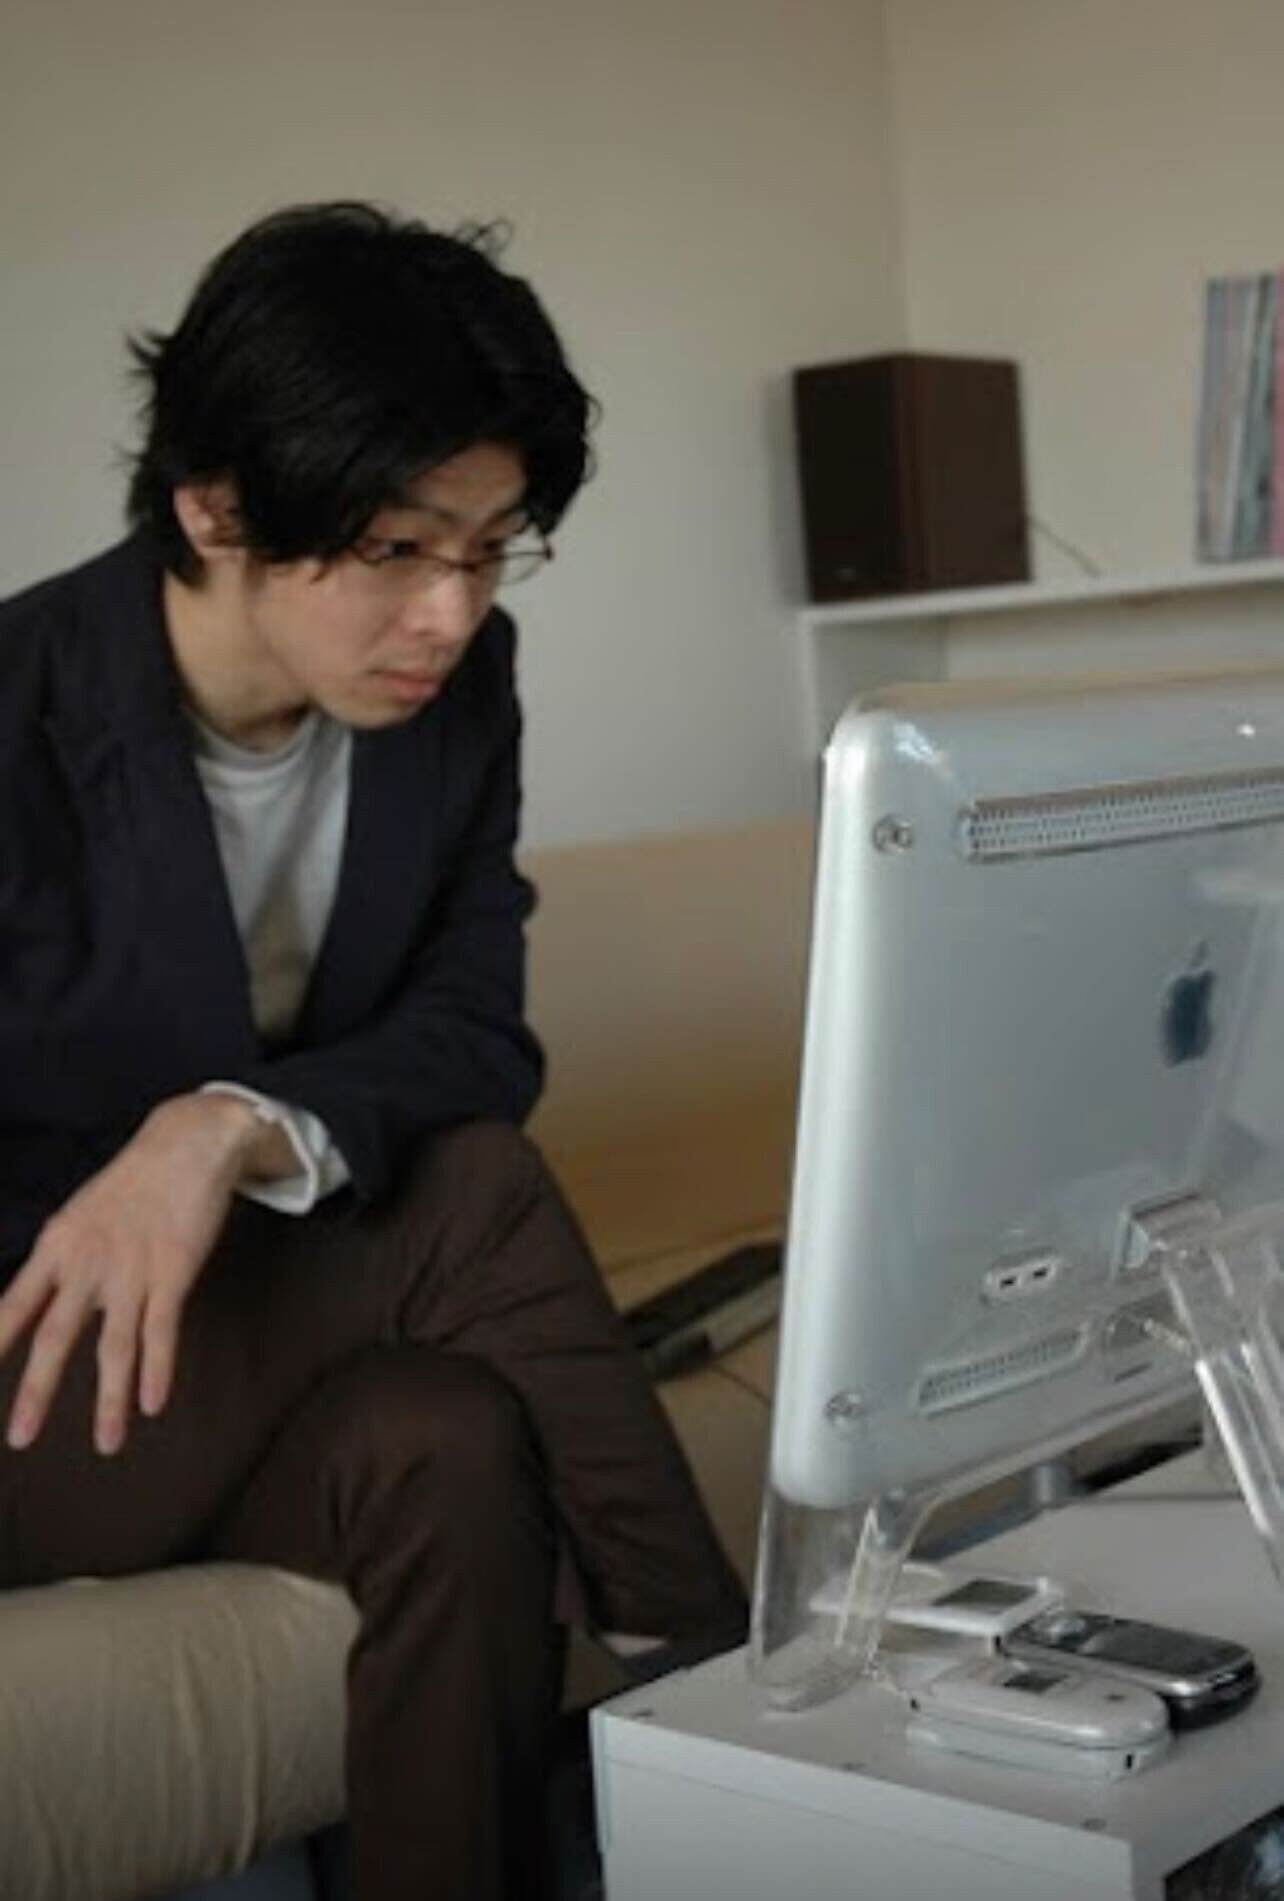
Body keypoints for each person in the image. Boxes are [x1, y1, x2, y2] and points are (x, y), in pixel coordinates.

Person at [0, 201, 745, 1901]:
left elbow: (478, 1032)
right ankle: (736, 1724)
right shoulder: (17, 712)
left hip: (266, 1355)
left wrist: (221, 1127)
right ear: (214, 506)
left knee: (449, 1440)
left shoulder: (460, 693)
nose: (451, 613)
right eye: (401, 549)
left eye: (491, 549)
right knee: (476, 1196)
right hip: (36, 1385)